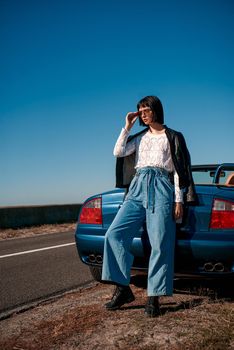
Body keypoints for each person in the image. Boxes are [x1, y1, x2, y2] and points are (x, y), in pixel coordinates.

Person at [101, 95, 196, 317]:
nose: (142, 113)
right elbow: (118, 151)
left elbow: (178, 170)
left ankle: (154, 297)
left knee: (160, 242)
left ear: (156, 110)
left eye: (146, 109)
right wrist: (127, 126)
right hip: (137, 187)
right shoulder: (139, 137)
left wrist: (178, 199)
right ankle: (123, 288)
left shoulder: (173, 136)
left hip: (162, 185)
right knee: (114, 235)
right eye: (140, 110)